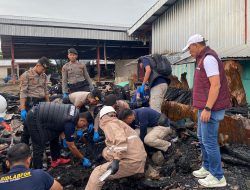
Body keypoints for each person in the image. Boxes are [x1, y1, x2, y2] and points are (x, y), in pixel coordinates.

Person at [183, 34, 231, 188]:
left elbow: (215, 85)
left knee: (210, 141)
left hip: (210, 108)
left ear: (196, 45)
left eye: (190, 48)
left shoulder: (209, 59)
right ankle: (207, 167)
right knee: (202, 138)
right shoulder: (201, 58)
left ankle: (218, 177)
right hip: (203, 107)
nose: (189, 51)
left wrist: (208, 108)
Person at [85, 106, 147, 190]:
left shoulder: (109, 124)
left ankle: (121, 168)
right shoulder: (119, 123)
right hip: (138, 156)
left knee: (97, 173)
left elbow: (120, 141)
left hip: (133, 162)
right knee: (105, 151)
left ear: (102, 117)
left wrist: (116, 161)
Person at [26, 102, 92, 169]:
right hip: (34, 117)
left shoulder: (75, 110)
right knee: (38, 146)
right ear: (82, 120)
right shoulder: (71, 122)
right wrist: (83, 158)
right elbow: (71, 146)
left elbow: (60, 122)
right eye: (84, 125)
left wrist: (64, 137)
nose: (82, 128)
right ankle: (37, 172)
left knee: (55, 135)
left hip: (41, 113)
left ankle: (56, 160)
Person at [19, 57, 50, 145]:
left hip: (42, 102)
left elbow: (46, 91)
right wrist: (22, 109)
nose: (43, 71)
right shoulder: (26, 75)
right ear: (37, 65)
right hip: (31, 102)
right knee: (28, 126)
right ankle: (23, 147)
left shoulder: (44, 76)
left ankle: (38, 145)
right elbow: (23, 92)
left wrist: (48, 104)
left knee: (41, 125)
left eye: (45, 69)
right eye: (42, 69)